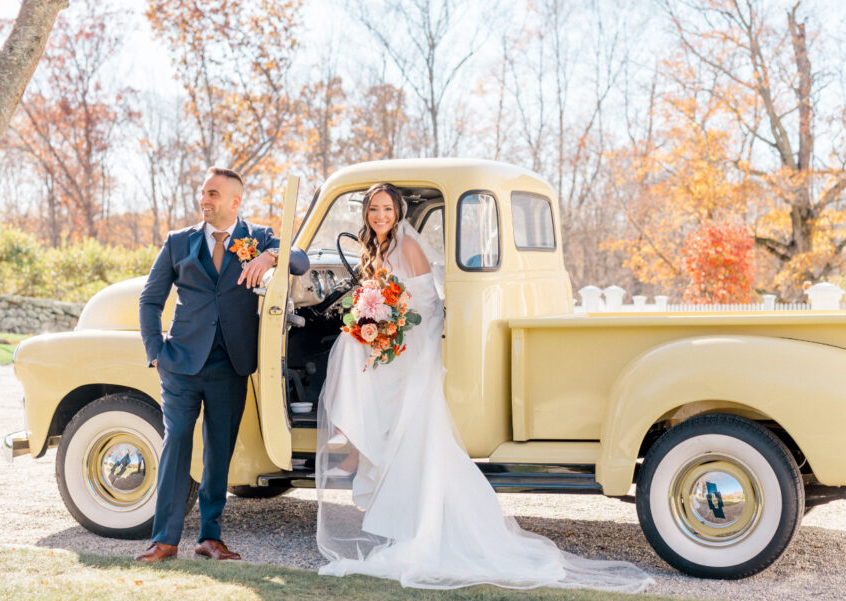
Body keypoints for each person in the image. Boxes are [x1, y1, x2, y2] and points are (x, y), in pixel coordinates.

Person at [315, 183, 653, 592]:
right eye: (373, 209)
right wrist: (374, 317)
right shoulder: (376, 248)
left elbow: (425, 303)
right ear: (366, 213)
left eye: (387, 208)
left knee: (349, 348)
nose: (380, 215)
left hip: (417, 338)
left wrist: (386, 325)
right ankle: (358, 441)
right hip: (400, 332)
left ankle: (356, 442)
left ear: (398, 212)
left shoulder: (408, 247)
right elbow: (388, 297)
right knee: (351, 343)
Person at [136, 166, 308, 563]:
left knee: (219, 455)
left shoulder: (260, 237)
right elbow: (149, 300)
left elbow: (299, 260)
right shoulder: (179, 242)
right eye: (203, 193)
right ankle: (164, 540)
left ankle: (209, 538)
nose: (205, 200)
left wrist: (269, 255)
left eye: (213, 194)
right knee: (176, 444)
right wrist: (155, 353)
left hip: (231, 364)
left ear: (234, 201)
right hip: (180, 364)